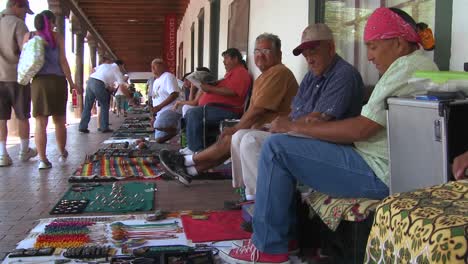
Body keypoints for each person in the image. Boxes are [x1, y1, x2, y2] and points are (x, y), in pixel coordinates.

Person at [225, 7, 439, 263]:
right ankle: (279, 235)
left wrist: (295, 127)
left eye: (373, 47)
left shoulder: (405, 68)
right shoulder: (413, 66)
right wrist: (296, 125)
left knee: (277, 148)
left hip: (380, 172)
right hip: (373, 162)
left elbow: (362, 128)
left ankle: (269, 247)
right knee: (273, 143)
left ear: (399, 43)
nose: (369, 56)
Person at [231, 23, 364, 203]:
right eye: (306, 55)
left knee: (250, 140)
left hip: (329, 143)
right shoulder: (311, 75)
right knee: (240, 135)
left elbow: (318, 121)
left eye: (314, 52)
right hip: (303, 133)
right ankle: (251, 195)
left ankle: (265, 203)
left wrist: (288, 126)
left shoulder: (344, 74)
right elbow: (296, 113)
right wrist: (273, 126)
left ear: (330, 48)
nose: (309, 59)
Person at [160, 33, 299, 185]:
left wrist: (237, 127)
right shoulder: (264, 76)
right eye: (257, 51)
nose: (260, 56)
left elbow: (258, 109)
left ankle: (186, 160)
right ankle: (189, 171)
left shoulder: (278, 72)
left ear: (278, 53)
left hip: (274, 128)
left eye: (265, 51)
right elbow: (255, 109)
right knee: (229, 137)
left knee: (231, 136)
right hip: (260, 125)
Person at [25, 10, 79, 169]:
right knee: (60, 121)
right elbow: (63, 61)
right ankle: (62, 152)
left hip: (38, 83)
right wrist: (71, 82)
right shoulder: (57, 37)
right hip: (57, 81)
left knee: (40, 122)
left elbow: (25, 61)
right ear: (50, 22)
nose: (55, 24)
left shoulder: (29, 37)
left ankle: (43, 160)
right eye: (54, 21)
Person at [178, 48, 252, 154]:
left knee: (193, 113)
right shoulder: (231, 73)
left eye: (226, 58)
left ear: (235, 59)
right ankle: (192, 146)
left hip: (228, 110)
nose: (223, 62)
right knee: (191, 112)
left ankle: (195, 149)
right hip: (217, 107)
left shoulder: (241, 72)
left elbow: (233, 92)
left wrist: (210, 89)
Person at [0, 0, 36, 167]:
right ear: (16, 5)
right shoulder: (18, 24)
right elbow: (27, 52)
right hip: (16, 77)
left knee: (1, 118)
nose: (24, 14)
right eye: (24, 10)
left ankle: (3, 154)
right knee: (22, 116)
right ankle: (24, 151)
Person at [79, 58, 125, 133]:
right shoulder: (117, 69)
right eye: (123, 67)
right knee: (104, 105)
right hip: (98, 83)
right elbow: (122, 87)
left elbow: (93, 70)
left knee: (88, 105)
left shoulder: (105, 65)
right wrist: (130, 98)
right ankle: (104, 127)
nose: (123, 68)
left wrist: (105, 85)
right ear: (120, 65)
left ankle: (82, 126)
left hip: (90, 81)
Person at [149, 58, 182, 143]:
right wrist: (153, 116)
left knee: (157, 125)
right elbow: (155, 100)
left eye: (155, 66)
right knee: (158, 139)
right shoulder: (156, 81)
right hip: (160, 113)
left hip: (171, 110)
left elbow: (174, 94)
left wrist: (159, 107)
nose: (153, 69)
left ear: (163, 66)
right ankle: (177, 131)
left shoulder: (168, 76)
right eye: (152, 67)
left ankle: (180, 128)